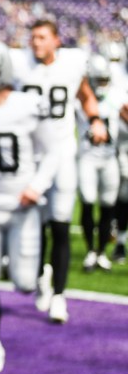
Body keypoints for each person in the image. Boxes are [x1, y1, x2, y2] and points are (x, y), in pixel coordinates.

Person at [0, 40, 62, 374]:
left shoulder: (28, 104)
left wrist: (37, 186)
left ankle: (40, 275)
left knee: (23, 282)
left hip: (22, 204)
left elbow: (53, 150)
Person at [9, 20, 107, 323]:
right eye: (33, 37)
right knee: (35, 226)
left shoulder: (72, 63)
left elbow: (85, 94)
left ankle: (59, 295)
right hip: (31, 157)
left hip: (62, 153)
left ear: (56, 41)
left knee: (61, 225)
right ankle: (42, 275)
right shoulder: (19, 64)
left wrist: (95, 120)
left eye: (42, 37)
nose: (36, 43)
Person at [77, 53, 123, 272]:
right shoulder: (80, 99)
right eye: (99, 80)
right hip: (87, 157)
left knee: (107, 205)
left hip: (109, 157)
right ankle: (90, 251)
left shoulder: (116, 96)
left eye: (105, 80)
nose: (102, 84)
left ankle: (102, 252)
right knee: (87, 201)